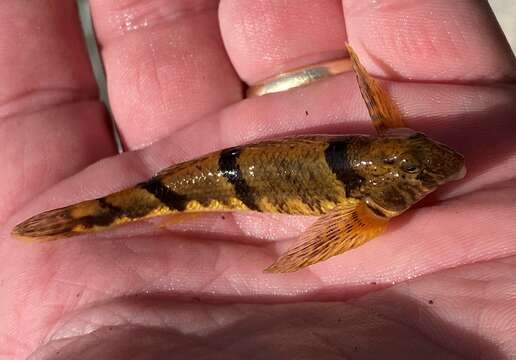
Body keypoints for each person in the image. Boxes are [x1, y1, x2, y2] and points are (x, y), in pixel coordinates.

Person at [1, 1, 515, 358]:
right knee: (149, 198)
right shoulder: (366, 211)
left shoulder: (382, 157)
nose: (440, 161)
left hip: (248, 165)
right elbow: (328, 238)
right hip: (240, 175)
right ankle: (97, 216)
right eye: (418, 162)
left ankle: (98, 213)